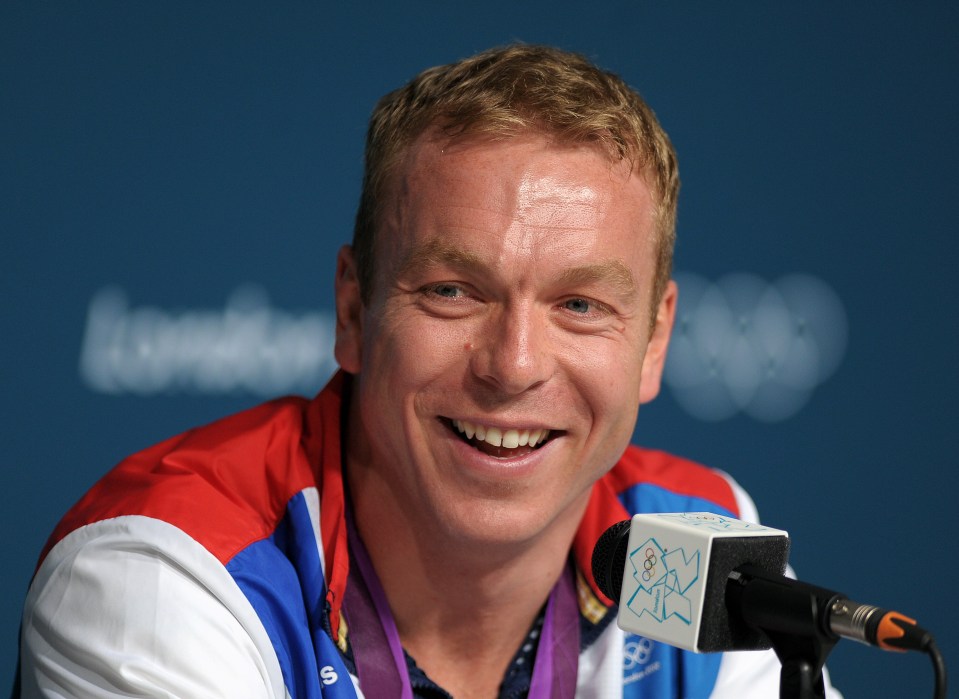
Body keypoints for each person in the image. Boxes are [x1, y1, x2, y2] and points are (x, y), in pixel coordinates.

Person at [17, 44, 840, 698]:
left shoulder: (699, 540)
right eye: (452, 291)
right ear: (352, 312)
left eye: (580, 305)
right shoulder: (167, 573)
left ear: (654, 342)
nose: (514, 364)